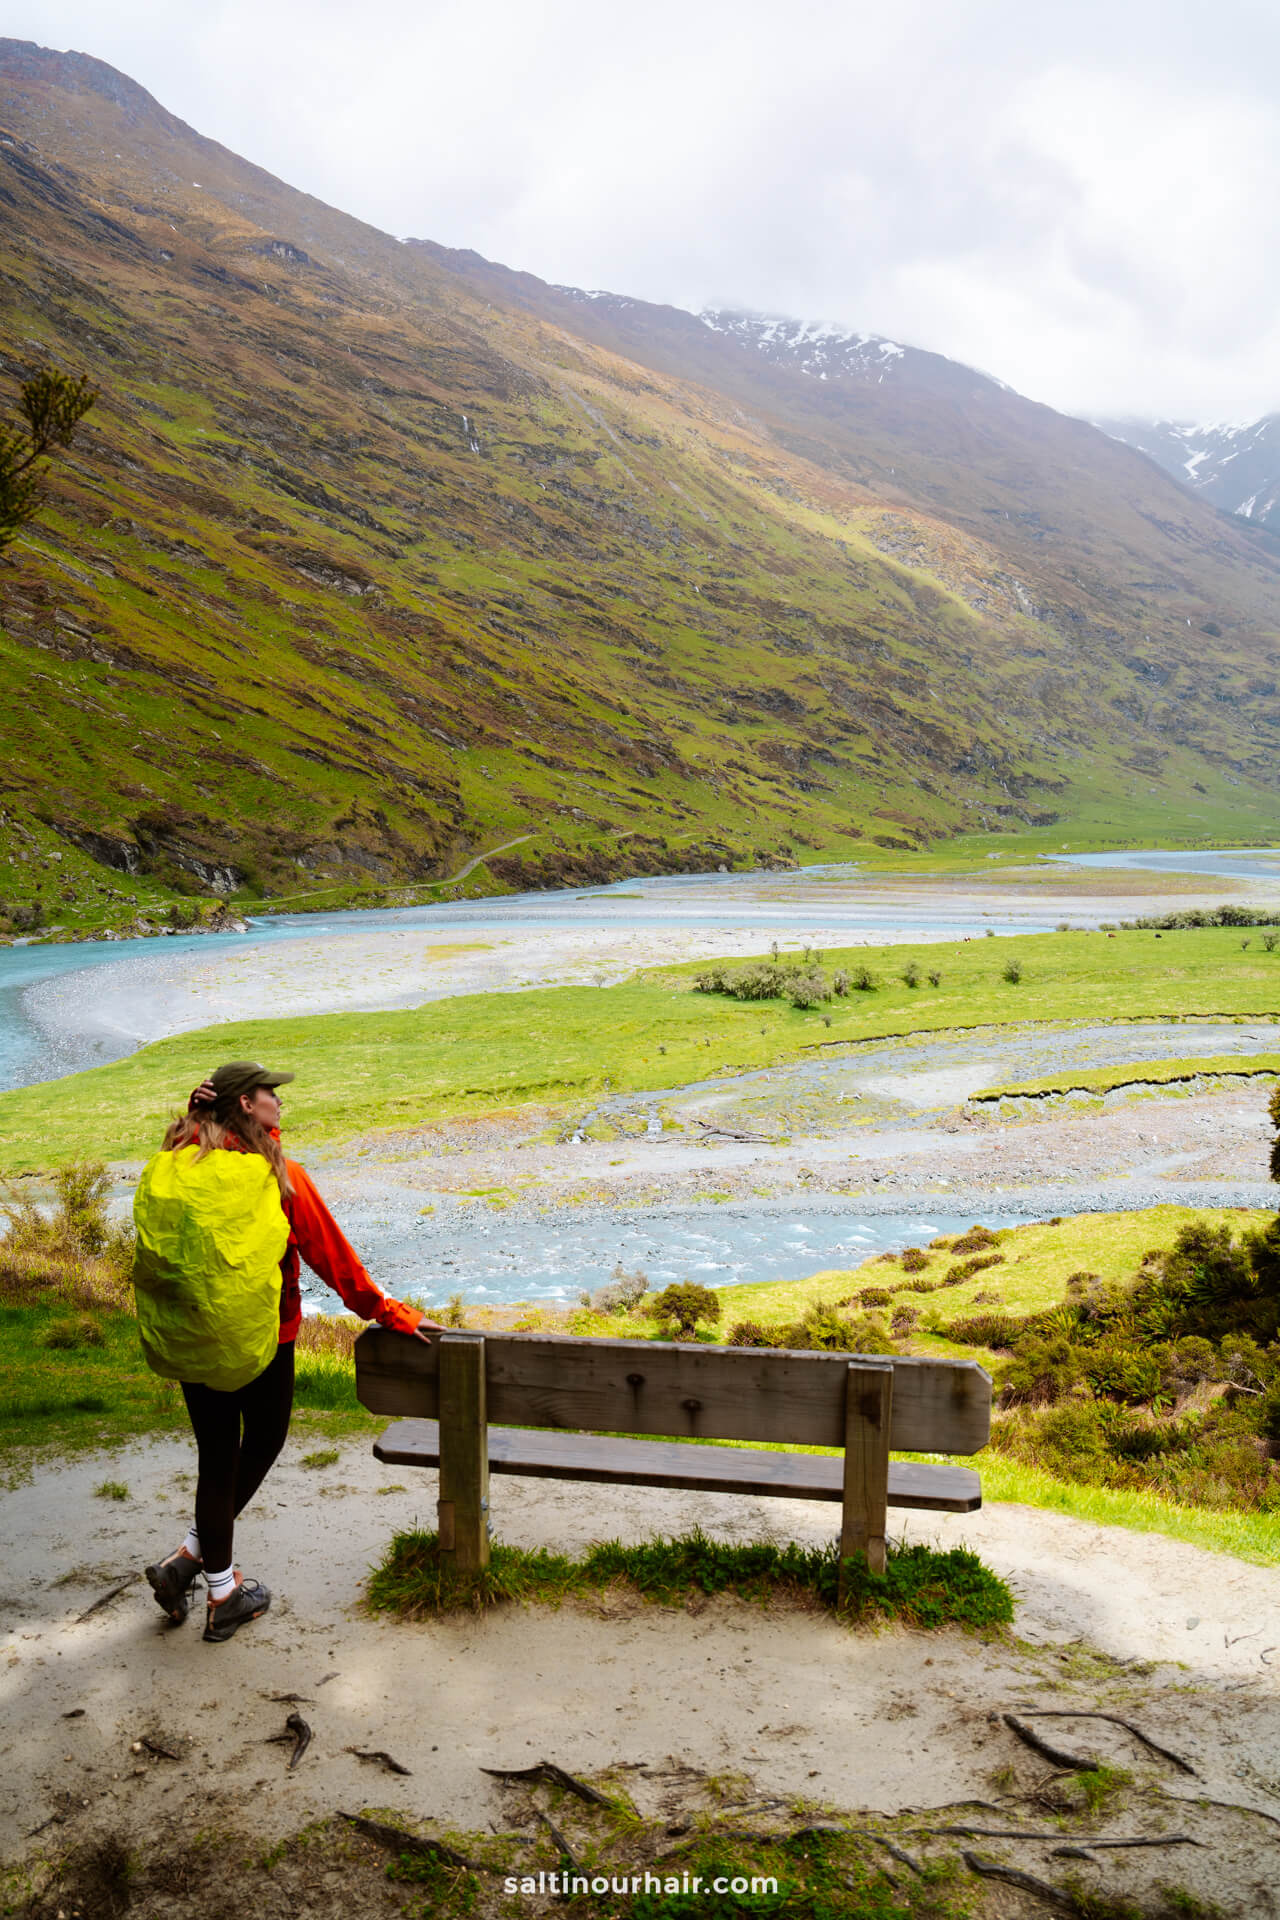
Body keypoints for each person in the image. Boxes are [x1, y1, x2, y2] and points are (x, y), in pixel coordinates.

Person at [131, 1059, 439, 1643]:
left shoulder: (181, 1161)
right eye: (271, 1093)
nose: (280, 1101)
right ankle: (222, 1593)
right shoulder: (279, 1175)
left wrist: (195, 1114)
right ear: (247, 1104)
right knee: (264, 1440)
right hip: (267, 1335)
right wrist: (392, 1314)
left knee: (216, 1455)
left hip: (196, 1335)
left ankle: (191, 1564)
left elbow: (183, 1159)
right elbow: (336, 1262)